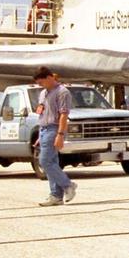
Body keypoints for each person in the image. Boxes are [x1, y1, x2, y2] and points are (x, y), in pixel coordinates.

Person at [33, 66, 77, 207]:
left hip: (54, 128)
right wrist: (40, 133)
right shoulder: (43, 93)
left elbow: (64, 115)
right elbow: (42, 113)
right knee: (52, 163)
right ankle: (56, 196)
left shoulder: (62, 92)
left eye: (41, 83)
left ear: (49, 78)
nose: (40, 86)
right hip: (44, 129)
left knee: (44, 161)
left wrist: (60, 134)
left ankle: (68, 185)